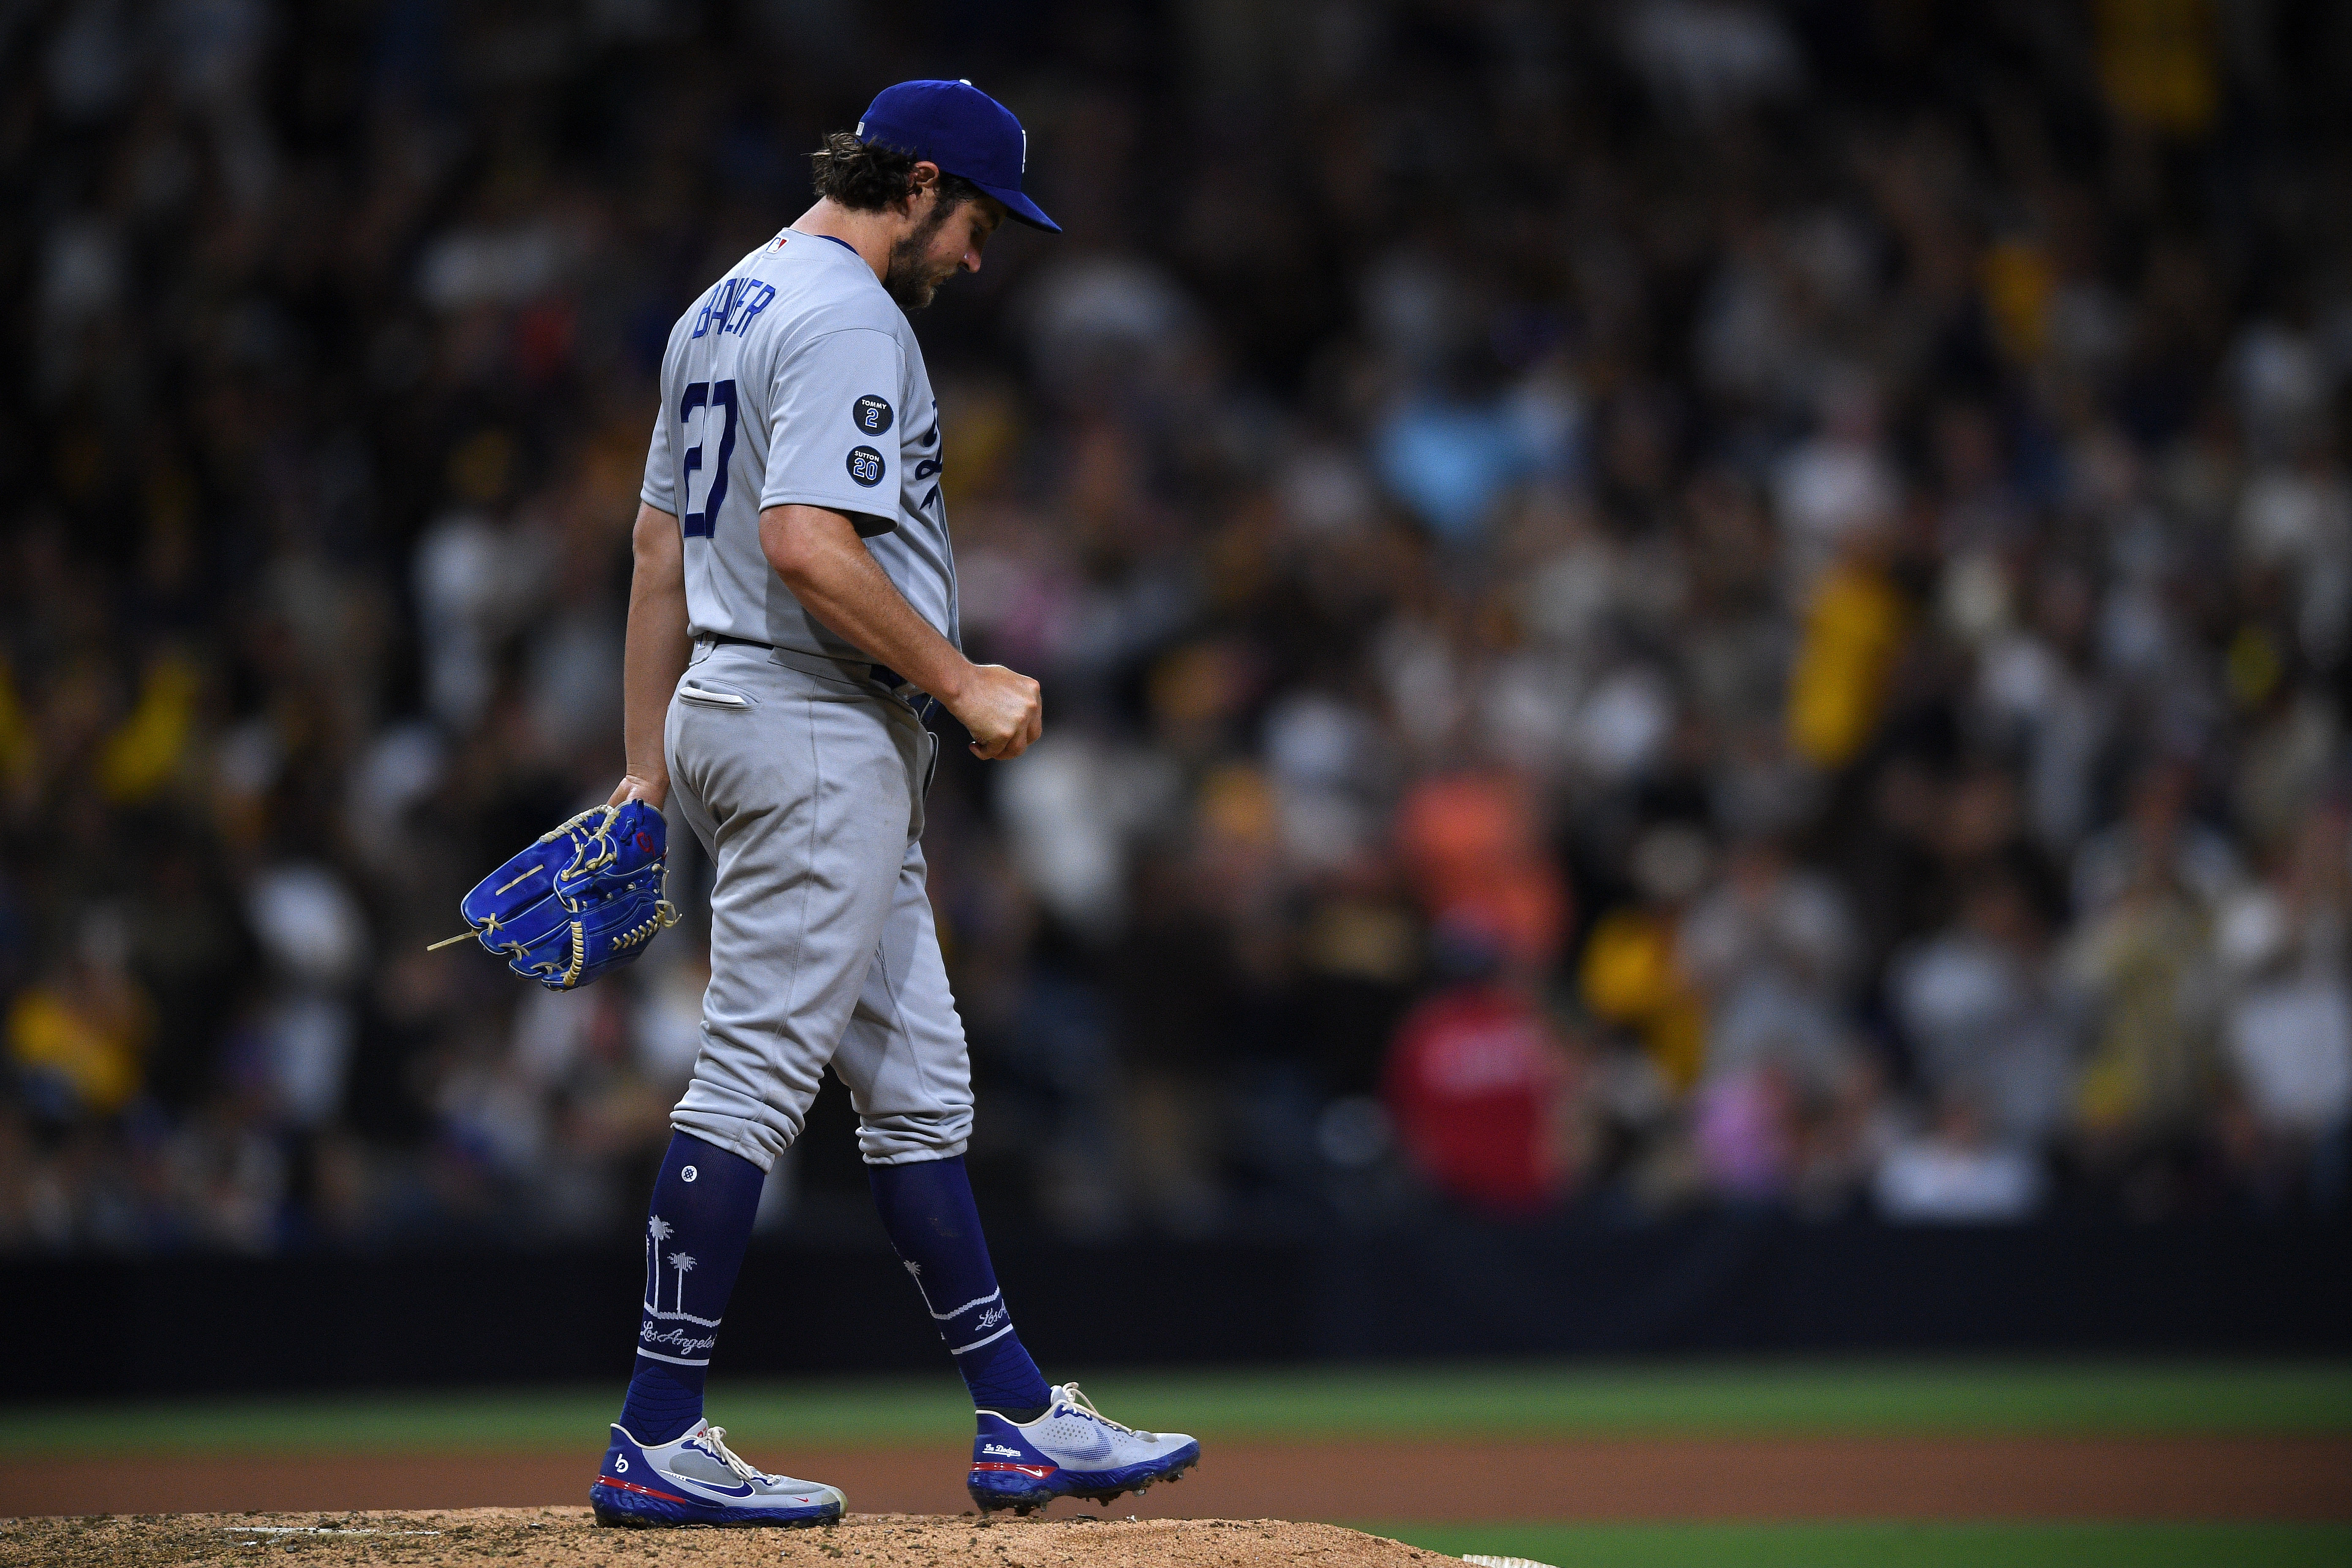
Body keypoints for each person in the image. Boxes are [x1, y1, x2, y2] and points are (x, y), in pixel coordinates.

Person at [588, 80, 1199, 1528]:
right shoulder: (856, 312)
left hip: (747, 715)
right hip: (813, 728)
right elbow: (805, 543)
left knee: (919, 1082)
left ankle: (1021, 1418)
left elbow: (659, 551)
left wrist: (643, 770)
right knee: (750, 1079)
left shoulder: (720, 305)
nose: (981, 255)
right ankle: (656, 1428)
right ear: (918, 183)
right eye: (980, 219)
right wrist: (964, 677)